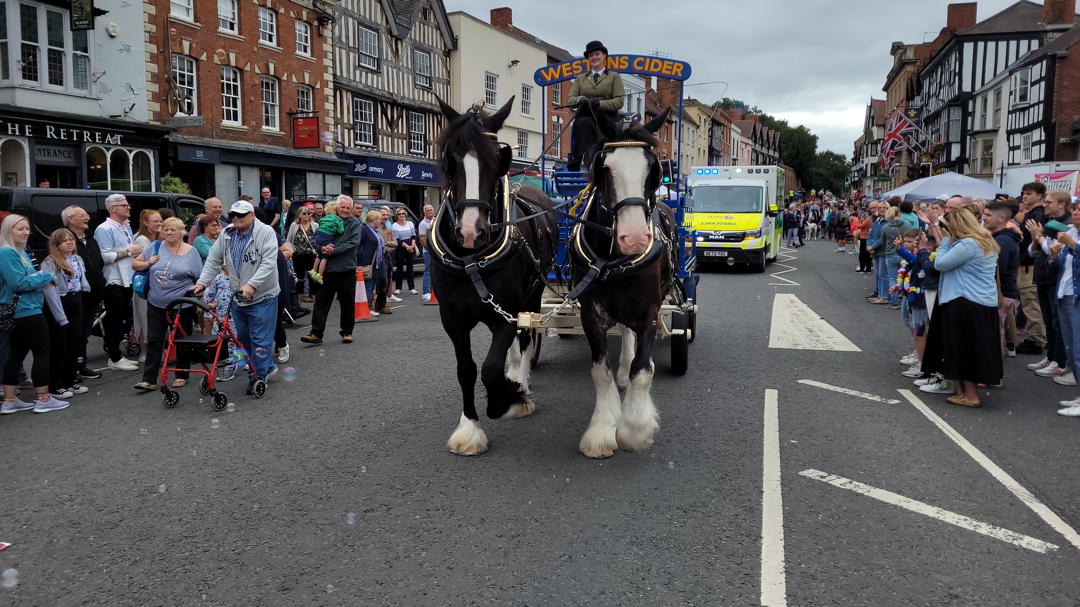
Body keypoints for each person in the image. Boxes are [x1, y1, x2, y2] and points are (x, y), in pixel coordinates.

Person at [193, 201, 281, 389]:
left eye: (241, 214)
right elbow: (213, 260)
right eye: (233, 214)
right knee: (243, 339)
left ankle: (258, 376)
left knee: (260, 339)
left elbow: (268, 262)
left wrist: (252, 285)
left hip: (262, 296)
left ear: (252, 215)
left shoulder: (265, 232)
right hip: (238, 297)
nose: (236, 218)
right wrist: (202, 283)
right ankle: (267, 366)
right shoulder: (226, 234)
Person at [920, 206, 1002, 407]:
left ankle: (971, 395)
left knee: (964, 349)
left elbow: (941, 264)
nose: (947, 231)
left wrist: (946, 240)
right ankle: (964, 391)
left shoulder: (968, 244)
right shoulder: (985, 241)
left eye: (948, 228)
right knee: (970, 348)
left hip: (965, 302)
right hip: (980, 302)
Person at [0, 214, 68, 414]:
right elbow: (18, 283)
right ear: (8, 230)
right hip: (26, 310)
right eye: (20, 228)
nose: (26, 232)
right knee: (42, 352)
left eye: (27, 228)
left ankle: (11, 399)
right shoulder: (8, 253)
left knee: (16, 354)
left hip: (21, 310)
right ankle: (43, 398)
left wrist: (37, 277)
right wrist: (45, 276)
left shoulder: (15, 252)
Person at [131, 217, 203, 392]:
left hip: (181, 305)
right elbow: (135, 264)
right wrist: (148, 263)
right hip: (156, 303)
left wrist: (199, 296)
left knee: (181, 340)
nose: (169, 233)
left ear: (182, 232)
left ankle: (181, 375)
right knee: (155, 340)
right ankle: (149, 379)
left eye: (173, 230)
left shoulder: (191, 252)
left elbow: (199, 278)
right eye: (165, 230)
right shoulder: (155, 247)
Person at [301, 196, 362, 345]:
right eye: (343, 207)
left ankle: (346, 332)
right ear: (337, 207)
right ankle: (316, 334)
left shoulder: (354, 223)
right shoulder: (328, 220)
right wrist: (321, 248)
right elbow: (315, 239)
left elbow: (353, 243)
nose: (345, 210)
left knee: (347, 303)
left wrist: (333, 250)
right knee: (321, 302)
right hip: (327, 270)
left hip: (346, 269)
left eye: (348, 207)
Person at [94, 193, 143, 371]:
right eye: (124, 205)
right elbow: (104, 256)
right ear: (112, 208)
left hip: (128, 278)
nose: (128, 207)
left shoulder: (125, 227)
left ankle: (118, 355)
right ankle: (113, 357)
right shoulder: (104, 229)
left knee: (122, 318)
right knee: (113, 319)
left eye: (127, 205)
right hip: (114, 280)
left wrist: (135, 254)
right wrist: (129, 252)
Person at [40, 228, 90, 398]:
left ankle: (70, 380)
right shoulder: (50, 262)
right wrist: (60, 316)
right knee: (59, 345)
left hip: (76, 300)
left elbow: (82, 280)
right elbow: (50, 292)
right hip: (60, 303)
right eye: (64, 240)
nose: (69, 242)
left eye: (71, 239)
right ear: (55, 245)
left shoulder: (77, 258)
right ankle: (55, 384)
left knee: (74, 342)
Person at [566, 40, 624, 171]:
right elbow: (570, 100)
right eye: (591, 55)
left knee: (609, 128)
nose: (594, 57)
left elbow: (619, 101)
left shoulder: (614, 77)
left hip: (607, 116)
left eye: (597, 54)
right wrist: (581, 99)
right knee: (583, 123)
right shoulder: (580, 78)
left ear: (604, 56)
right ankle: (581, 158)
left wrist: (599, 104)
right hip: (586, 115)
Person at [1045, 199, 1080, 416]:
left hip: (1077, 297)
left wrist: (1072, 245)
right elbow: (1061, 267)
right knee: (1070, 348)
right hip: (1064, 294)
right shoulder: (1072, 232)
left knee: (1078, 349)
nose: (1075, 213)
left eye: (1078, 210)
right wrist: (1054, 256)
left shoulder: (1072, 237)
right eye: (1074, 209)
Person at [61, 205, 104, 380]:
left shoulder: (90, 239)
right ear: (70, 219)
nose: (87, 217)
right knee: (72, 333)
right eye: (82, 215)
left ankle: (80, 364)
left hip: (92, 294)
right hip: (74, 296)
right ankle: (69, 369)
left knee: (84, 332)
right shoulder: (64, 239)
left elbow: (98, 262)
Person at [984, 202, 1020, 360]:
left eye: (988, 215)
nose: (984, 218)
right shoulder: (1000, 238)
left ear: (1001, 218)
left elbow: (998, 270)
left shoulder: (1003, 241)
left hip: (1001, 292)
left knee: (995, 332)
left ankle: (993, 374)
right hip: (1001, 292)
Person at [1016, 182, 1048, 355]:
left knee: (1030, 301)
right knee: (1027, 301)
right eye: (1023, 193)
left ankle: (1037, 340)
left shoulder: (1037, 216)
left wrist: (1025, 260)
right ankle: (1035, 337)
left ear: (1039, 196)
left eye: (1029, 193)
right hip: (1025, 263)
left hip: (1029, 266)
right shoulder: (1031, 214)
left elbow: (1033, 242)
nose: (1025, 196)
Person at [132, 209, 163, 361]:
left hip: (154, 284)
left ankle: (151, 351)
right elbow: (139, 263)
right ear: (145, 223)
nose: (159, 224)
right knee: (144, 317)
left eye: (160, 221)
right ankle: (145, 352)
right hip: (144, 284)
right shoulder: (142, 240)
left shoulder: (156, 238)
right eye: (155, 221)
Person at [306, 200, 344, 285]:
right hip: (328, 238)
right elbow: (341, 231)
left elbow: (320, 224)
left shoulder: (323, 218)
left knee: (319, 255)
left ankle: (313, 270)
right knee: (325, 257)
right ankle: (319, 275)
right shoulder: (338, 219)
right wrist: (336, 230)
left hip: (319, 236)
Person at [286, 203, 318, 302]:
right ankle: (299, 299)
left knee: (313, 276)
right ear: (299, 214)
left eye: (309, 213)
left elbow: (318, 239)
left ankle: (314, 297)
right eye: (304, 213)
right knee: (299, 278)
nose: (307, 215)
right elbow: (288, 240)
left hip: (311, 255)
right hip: (298, 255)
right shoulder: (294, 225)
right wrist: (291, 251)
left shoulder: (315, 225)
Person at [358, 210, 386, 315]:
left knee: (374, 283)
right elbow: (358, 245)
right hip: (368, 262)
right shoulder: (364, 230)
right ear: (373, 220)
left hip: (377, 262)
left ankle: (370, 306)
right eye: (378, 219)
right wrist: (360, 259)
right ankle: (367, 308)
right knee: (368, 285)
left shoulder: (375, 230)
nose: (380, 221)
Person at [881, 206, 907, 308]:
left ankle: (894, 301)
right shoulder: (907, 225)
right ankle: (904, 299)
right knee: (905, 277)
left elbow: (883, 241)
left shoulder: (886, 227)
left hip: (890, 254)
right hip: (904, 254)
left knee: (892, 278)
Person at [391, 208, 418, 294]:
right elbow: (397, 239)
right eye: (399, 214)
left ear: (405, 215)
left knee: (410, 268)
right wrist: (407, 247)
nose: (401, 215)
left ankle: (412, 288)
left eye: (403, 213)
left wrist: (412, 245)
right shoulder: (394, 225)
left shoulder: (410, 224)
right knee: (399, 268)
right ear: (397, 216)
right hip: (400, 248)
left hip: (410, 246)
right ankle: (398, 288)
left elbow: (414, 236)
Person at [377, 206, 398, 308]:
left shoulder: (389, 228)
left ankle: (382, 303)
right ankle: (379, 304)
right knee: (382, 281)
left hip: (388, 256)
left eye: (386, 215)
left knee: (388, 280)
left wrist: (387, 243)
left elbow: (395, 243)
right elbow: (379, 245)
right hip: (379, 258)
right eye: (383, 215)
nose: (385, 217)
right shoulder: (376, 228)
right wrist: (389, 244)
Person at [418, 204, 435, 300]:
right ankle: (425, 292)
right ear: (424, 212)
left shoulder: (436, 220)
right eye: (427, 210)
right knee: (427, 272)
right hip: (428, 252)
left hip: (437, 251)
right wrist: (431, 249)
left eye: (431, 210)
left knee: (435, 272)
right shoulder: (422, 224)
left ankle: (433, 291)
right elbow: (422, 239)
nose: (429, 211)